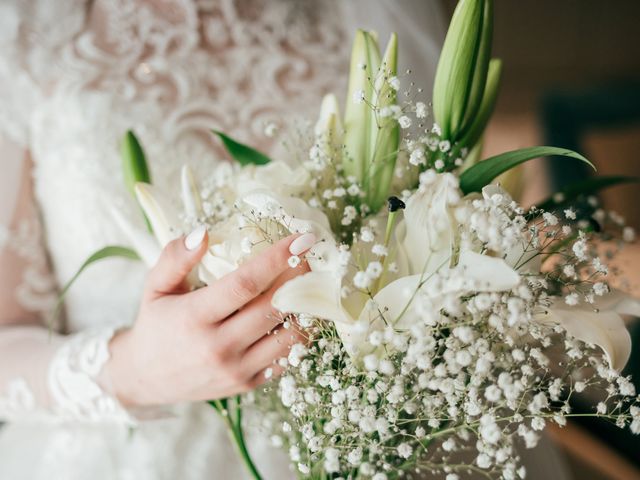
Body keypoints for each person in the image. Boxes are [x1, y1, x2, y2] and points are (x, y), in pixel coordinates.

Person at [0, 1, 571, 478]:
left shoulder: (367, 12)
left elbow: (428, 211)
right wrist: (131, 370)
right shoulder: (25, 35)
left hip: (380, 436)